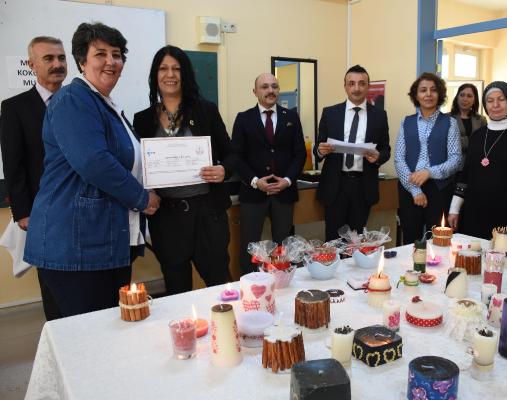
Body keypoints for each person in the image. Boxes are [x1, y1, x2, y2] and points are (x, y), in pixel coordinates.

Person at [23, 23, 160, 317]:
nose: (111, 61)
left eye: (117, 54)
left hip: (100, 242)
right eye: (100, 54)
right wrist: (142, 198)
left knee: (105, 329)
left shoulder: (104, 104)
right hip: (75, 247)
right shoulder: (73, 99)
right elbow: (94, 162)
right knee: (88, 334)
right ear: (82, 61)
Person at [134, 45, 235, 294]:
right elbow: (139, 167)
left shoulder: (205, 110)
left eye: (176, 69)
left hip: (207, 214)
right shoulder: (142, 119)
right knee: (176, 289)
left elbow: (232, 155)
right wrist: (145, 192)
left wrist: (223, 170)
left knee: (220, 286)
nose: (170, 74)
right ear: (155, 75)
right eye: (163, 69)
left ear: (185, 74)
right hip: (166, 218)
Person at [0, 36, 67, 321]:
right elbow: (12, 163)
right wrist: (23, 212)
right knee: (53, 282)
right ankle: (58, 335)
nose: (57, 64)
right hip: (42, 211)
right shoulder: (14, 107)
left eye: (61, 58)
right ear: (31, 65)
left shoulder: (79, 101)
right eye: (48, 58)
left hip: (80, 207)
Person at [447, 81, 507, 239]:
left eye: (501, 99)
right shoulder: (478, 135)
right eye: (490, 100)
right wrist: (454, 209)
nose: (495, 105)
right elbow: (466, 176)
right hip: (475, 215)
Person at [231, 73, 305, 275]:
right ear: (255, 92)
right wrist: (255, 181)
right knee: (250, 246)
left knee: (283, 247)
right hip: (253, 192)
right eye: (264, 87)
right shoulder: (244, 119)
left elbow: (300, 153)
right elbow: (236, 156)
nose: (270, 90)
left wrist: (287, 180)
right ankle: (249, 284)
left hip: (284, 192)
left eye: (274, 86)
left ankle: (283, 283)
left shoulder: (291, 117)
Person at [314, 65, 390, 241]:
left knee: (356, 241)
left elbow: (386, 149)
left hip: (363, 186)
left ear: (368, 86)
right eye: (352, 83)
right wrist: (320, 150)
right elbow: (319, 146)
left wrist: (378, 157)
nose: (356, 88)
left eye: (362, 83)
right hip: (335, 185)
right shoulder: (330, 113)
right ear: (345, 86)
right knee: (333, 240)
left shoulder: (379, 115)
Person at [394, 73, 462, 245]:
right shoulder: (406, 122)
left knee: (438, 241)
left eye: (433, 90)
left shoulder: (450, 123)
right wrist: (415, 190)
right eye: (423, 90)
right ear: (416, 95)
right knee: (411, 240)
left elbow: (456, 160)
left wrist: (429, 172)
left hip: (439, 189)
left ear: (440, 94)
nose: (428, 94)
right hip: (409, 187)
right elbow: (399, 159)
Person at [449, 83, 486, 156]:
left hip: (475, 160)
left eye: (469, 96)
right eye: (462, 95)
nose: (465, 99)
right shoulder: (446, 118)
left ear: (474, 100)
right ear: (457, 97)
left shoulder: (481, 120)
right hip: (453, 161)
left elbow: (484, 143)